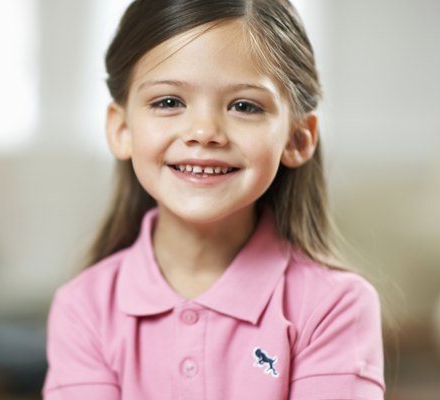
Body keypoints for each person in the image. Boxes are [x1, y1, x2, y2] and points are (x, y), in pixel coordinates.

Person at [43, 0, 385, 399]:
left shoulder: (335, 306)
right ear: (122, 129)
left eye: (244, 106)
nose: (204, 131)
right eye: (168, 102)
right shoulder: (83, 309)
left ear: (297, 138)